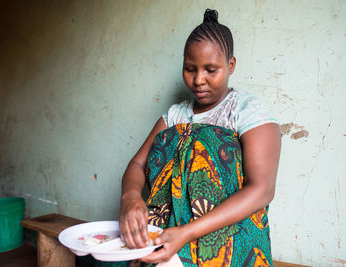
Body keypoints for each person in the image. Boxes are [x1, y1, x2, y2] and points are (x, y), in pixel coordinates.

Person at [118, 9, 281, 267]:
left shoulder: (245, 111)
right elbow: (137, 164)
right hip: (168, 232)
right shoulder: (175, 115)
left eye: (211, 69)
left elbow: (262, 189)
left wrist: (188, 233)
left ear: (231, 66)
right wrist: (130, 197)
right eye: (189, 69)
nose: (198, 80)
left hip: (228, 239)